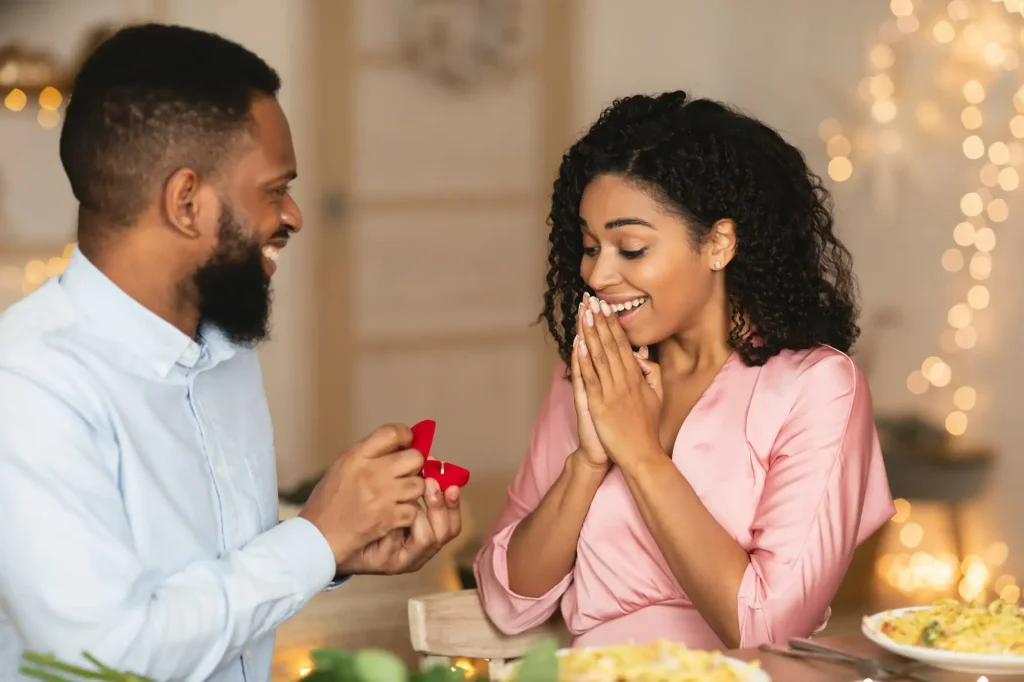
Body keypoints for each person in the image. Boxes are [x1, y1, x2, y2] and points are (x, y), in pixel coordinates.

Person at [0, 23, 461, 682]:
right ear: (187, 202)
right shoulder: (30, 385)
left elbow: (210, 570)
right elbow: (103, 658)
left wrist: (344, 546)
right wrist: (318, 538)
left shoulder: (223, 347)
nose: (294, 215)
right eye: (275, 189)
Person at [474, 92, 894, 650]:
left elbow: (768, 626)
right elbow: (507, 602)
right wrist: (588, 463)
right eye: (590, 245)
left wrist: (641, 455)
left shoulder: (816, 388)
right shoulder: (593, 373)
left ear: (718, 243)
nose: (598, 273)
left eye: (631, 247)